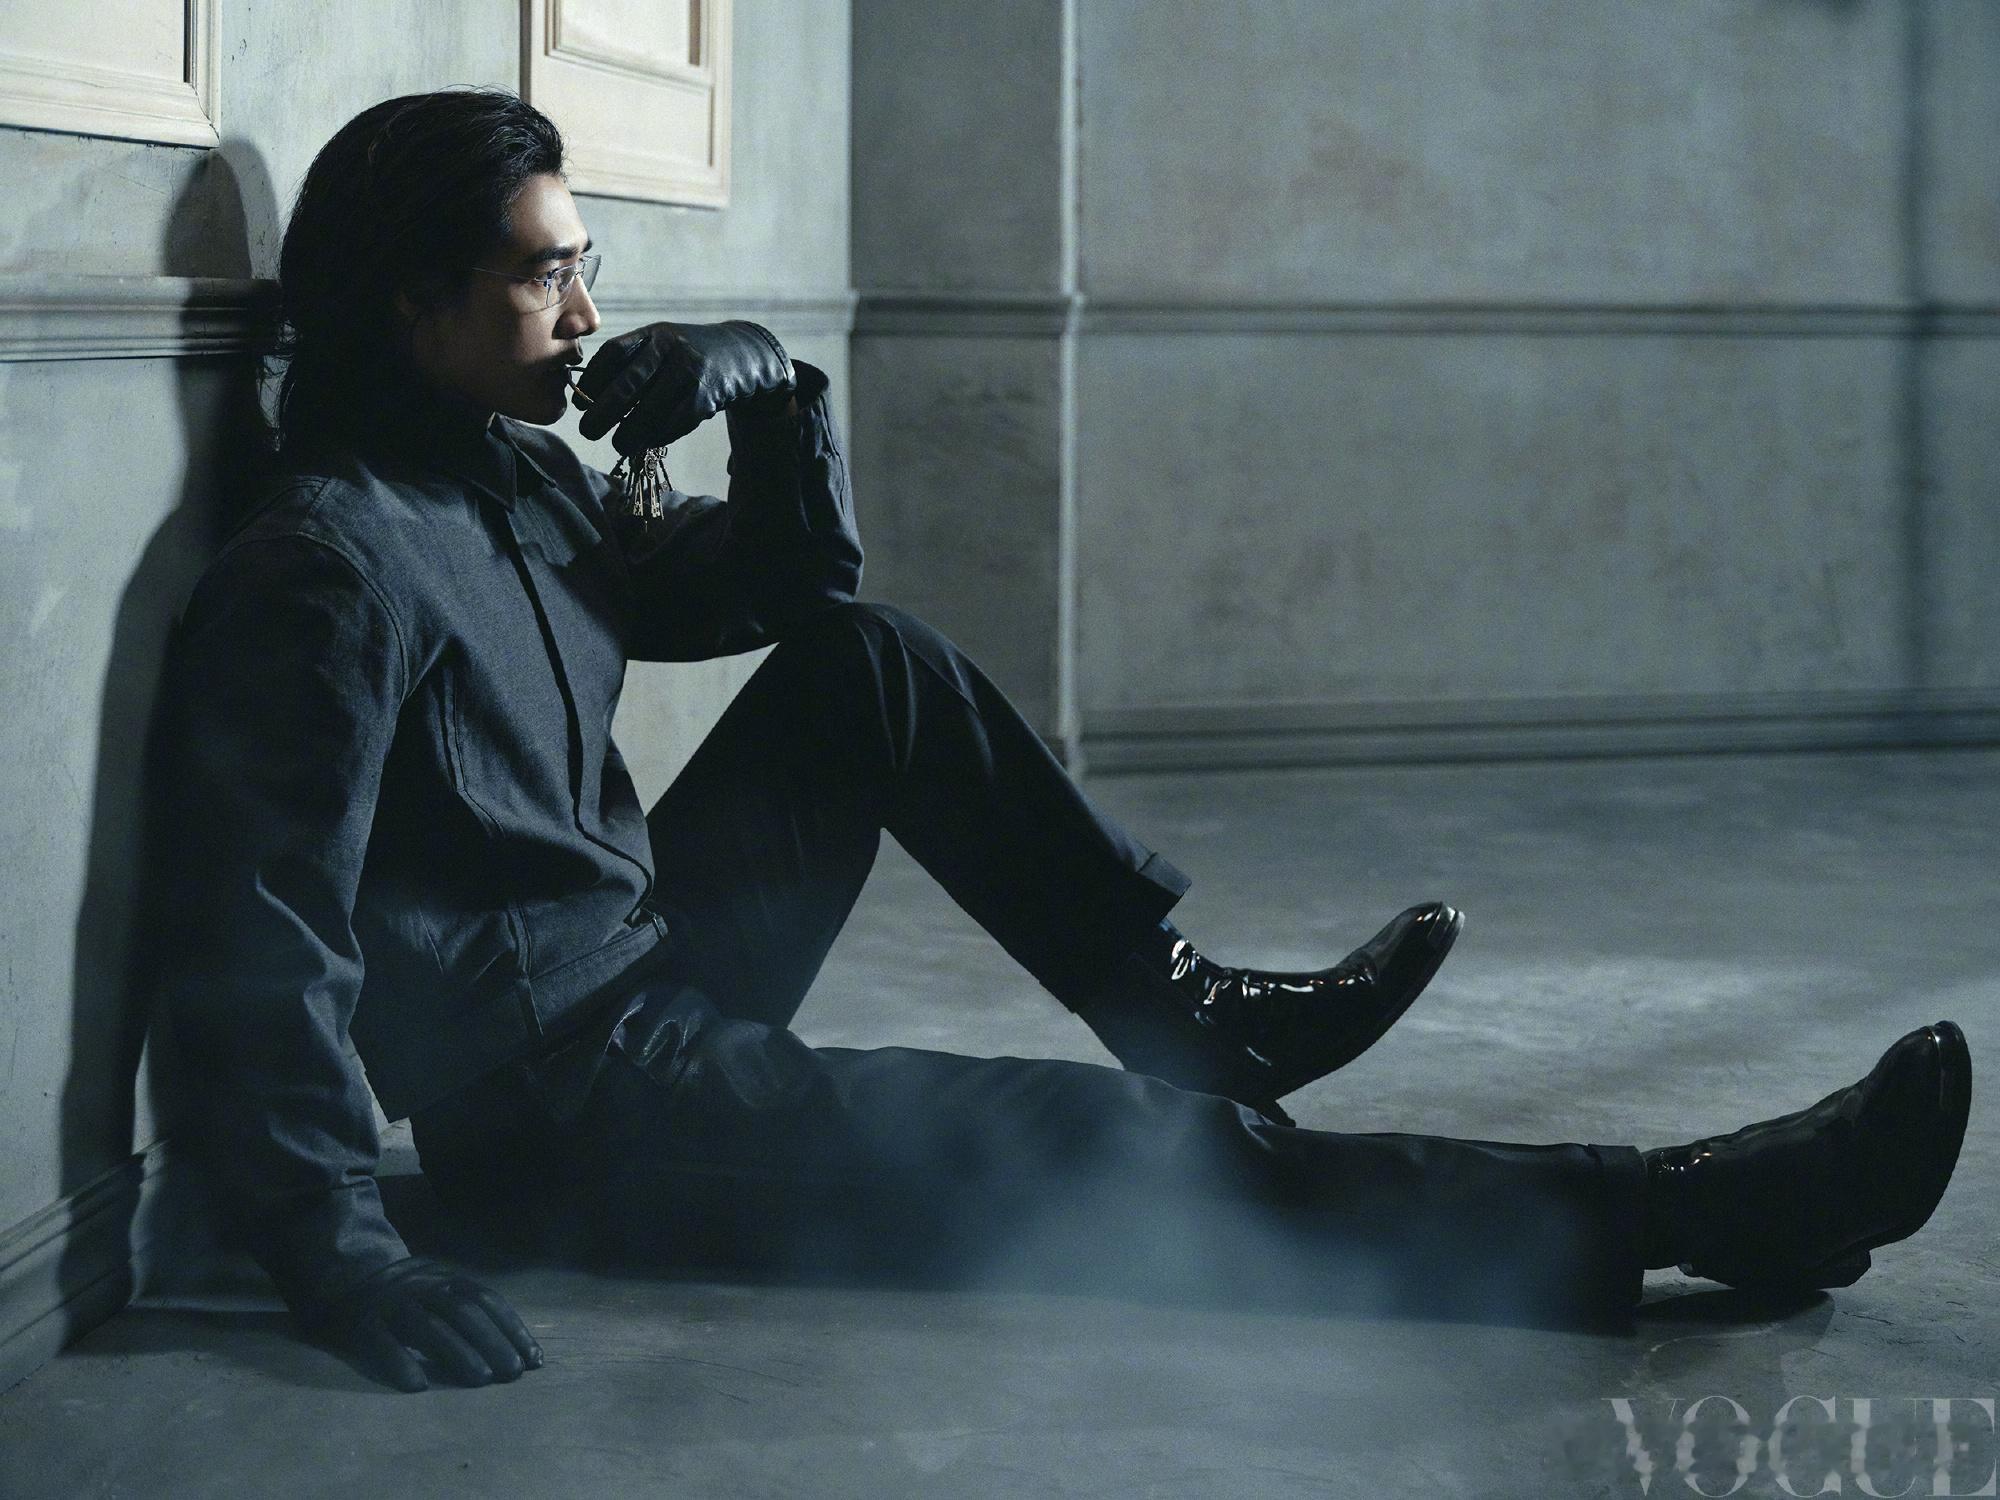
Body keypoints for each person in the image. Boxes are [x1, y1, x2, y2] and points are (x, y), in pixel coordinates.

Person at [148, 88, 1972, 1394]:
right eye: (546, 277)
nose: (587, 314)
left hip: (638, 968)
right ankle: (1690, 1211)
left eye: (589, 266)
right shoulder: (332, 571)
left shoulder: (512, 482)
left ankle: (1181, 999)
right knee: (1110, 1154)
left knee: (871, 665)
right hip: (565, 1122)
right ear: (411, 301)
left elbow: (796, 592)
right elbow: (261, 932)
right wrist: (341, 1251)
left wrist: (770, 384)